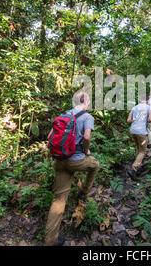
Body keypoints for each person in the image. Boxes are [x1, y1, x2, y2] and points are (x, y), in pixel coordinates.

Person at [44, 92, 99, 246]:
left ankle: (50, 241)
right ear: (86, 102)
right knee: (95, 164)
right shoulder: (87, 117)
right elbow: (87, 137)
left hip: (60, 161)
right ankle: (84, 190)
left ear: (74, 101)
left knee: (58, 200)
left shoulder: (63, 115)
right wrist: (85, 151)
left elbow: (49, 137)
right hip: (76, 161)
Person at [127, 95, 151, 180]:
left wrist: (136, 119)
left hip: (133, 131)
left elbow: (128, 120)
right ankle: (133, 168)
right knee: (143, 151)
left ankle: (138, 167)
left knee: (138, 149)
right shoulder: (148, 107)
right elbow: (150, 119)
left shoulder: (134, 108)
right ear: (147, 101)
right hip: (141, 131)